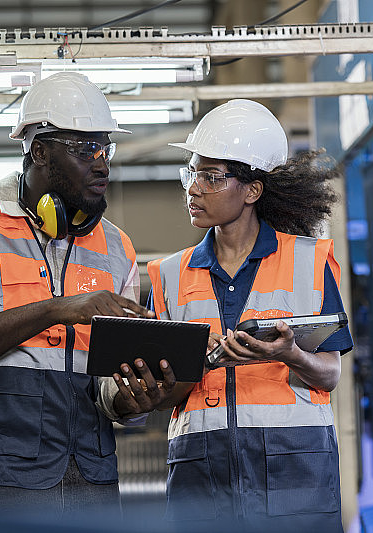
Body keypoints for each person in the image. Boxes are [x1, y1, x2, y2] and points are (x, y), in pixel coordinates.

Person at [0, 72, 154, 516]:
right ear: (39, 150)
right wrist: (54, 310)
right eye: (85, 149)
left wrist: (130, 399)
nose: (102, 163)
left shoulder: (116, 246)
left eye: (106, 148)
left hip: (91, 477)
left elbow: (105, 385)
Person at [111, 99, 353, 532]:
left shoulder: (309, 262)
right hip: (201, 475)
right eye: (192, 173)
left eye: (211, 176)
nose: (193, 188)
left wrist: (290, 354)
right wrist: (189, 361)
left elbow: (329, 376)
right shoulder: (169, 274)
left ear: (252, 190)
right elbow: (166, 393)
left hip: (294, 471)